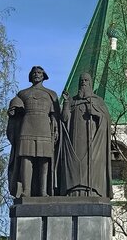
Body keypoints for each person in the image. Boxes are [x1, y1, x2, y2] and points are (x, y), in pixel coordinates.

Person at [7, 66, 61, 197]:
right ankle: (26, 190)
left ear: (44, 76)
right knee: (26, 157)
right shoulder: (22, 94)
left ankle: (43, 191)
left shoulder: (51, 94)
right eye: (34, 73)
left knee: (44, 159)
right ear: (30, 76)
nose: (36, 75)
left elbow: (55, 115)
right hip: (27, 127)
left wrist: (56, 127)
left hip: (44, 128)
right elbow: (15, 111)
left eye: (39, 73)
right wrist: (13, 111)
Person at [59, 72, 113, 198]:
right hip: (75, 142)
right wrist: (66, 103)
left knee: (90, 165)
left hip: (93, 142)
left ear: (90, 83)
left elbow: (106, 120)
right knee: (75, 165)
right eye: (81, 80)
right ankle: (72, 191)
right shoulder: (73, 102)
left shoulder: (98, 101)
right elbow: (64, 118)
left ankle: (93, 191)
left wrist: (94, 112)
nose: (83, 82)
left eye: (86, 80)